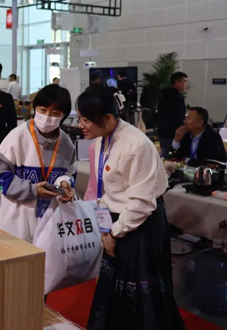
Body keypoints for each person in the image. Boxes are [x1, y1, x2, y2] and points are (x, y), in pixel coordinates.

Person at [77, 85, 184, 330]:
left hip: (140, 224)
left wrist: (115, 233)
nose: (81, 125)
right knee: (113, 290)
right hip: (117, 222)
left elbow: (141, 203)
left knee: (141, 294)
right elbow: (105, 192)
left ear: (108, 118)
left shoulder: (136, 145)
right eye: (81, 119)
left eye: (86, 120)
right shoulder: (101, 141)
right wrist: (106, 230)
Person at [0, 84, 76, 243]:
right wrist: (32, 190)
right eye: (42, 110)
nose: (47, 117)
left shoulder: (66, 144)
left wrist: (64, 184)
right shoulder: (17, 136)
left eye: (55, 113)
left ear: (63, 115)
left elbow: (70, 174)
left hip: (51, 219)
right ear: (35, 108)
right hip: (18, 218)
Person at [158, 72, 188, 158]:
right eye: (184, 81)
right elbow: (179, 116)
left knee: (165, 153)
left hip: (163, 132)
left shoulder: (163, 95)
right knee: (173, 156)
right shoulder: (177, 97)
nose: (186, 84)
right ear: (177, 82)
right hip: (173, 133)